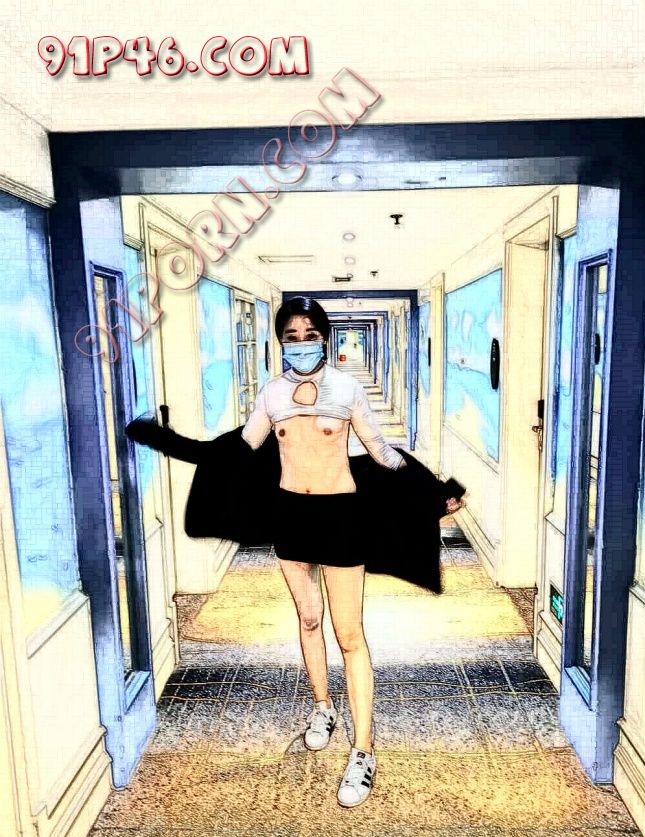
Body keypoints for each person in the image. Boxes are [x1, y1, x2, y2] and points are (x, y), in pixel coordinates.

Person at [126, 295, 465, 808]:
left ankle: (364, 750)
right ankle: (323, 706)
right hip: (290, 516)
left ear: (324, 338)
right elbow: (235, 451)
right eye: (292, 336)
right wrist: (164, 440)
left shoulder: (346, 389)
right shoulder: (273, 393)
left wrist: (434, 491)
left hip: (340, 517)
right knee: (309, 619)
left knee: (348, 634)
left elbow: (382, 452)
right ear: (280, 341)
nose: (301, 343)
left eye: (310, 335)